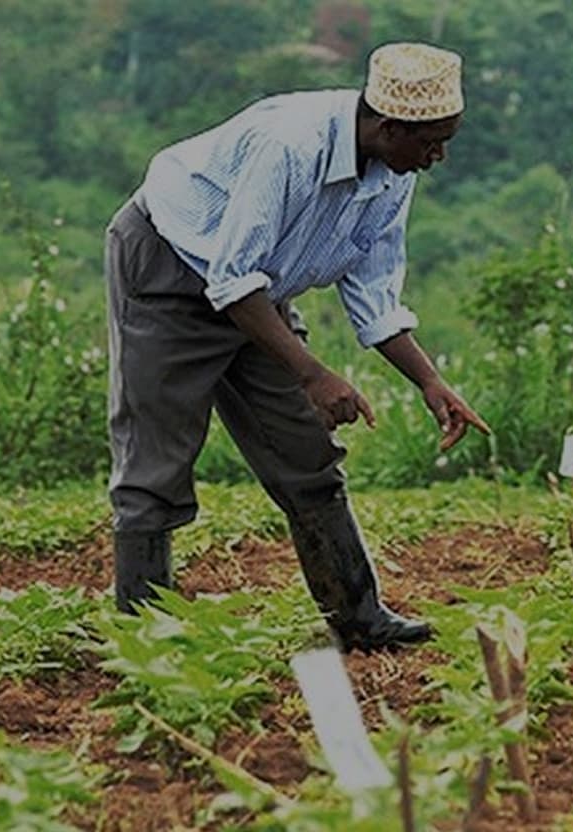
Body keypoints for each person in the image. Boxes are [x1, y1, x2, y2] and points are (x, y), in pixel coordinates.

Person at [103, 42, 489, 651]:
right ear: (389, 126)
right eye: (431, 142)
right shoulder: (291, 146)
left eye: (446, 140)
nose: (437, 157)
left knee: (307, 453)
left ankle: (361, 618)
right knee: (157, 457)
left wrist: (431, 382)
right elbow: (230, 278)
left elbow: (375, 294)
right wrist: (313, 373)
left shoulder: (392, 173)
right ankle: (142, 640)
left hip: (256, 290)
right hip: (170, 269)